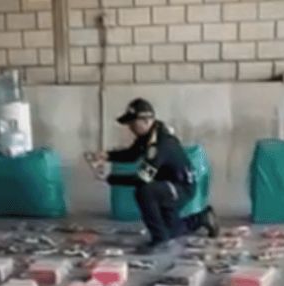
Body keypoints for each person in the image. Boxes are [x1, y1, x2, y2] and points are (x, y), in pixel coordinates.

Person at [89, 98, 219, 252]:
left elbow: (141, 178)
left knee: (145, 191)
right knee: (172, 230)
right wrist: (106, 156)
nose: (130, 127)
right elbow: (132, 155)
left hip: (181, 188)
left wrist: (110, 178)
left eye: (133, 123)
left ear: (146, 120)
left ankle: (159, 240)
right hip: (167, 186)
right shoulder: (151, 134)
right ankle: (202, 218)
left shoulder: (159, 144)